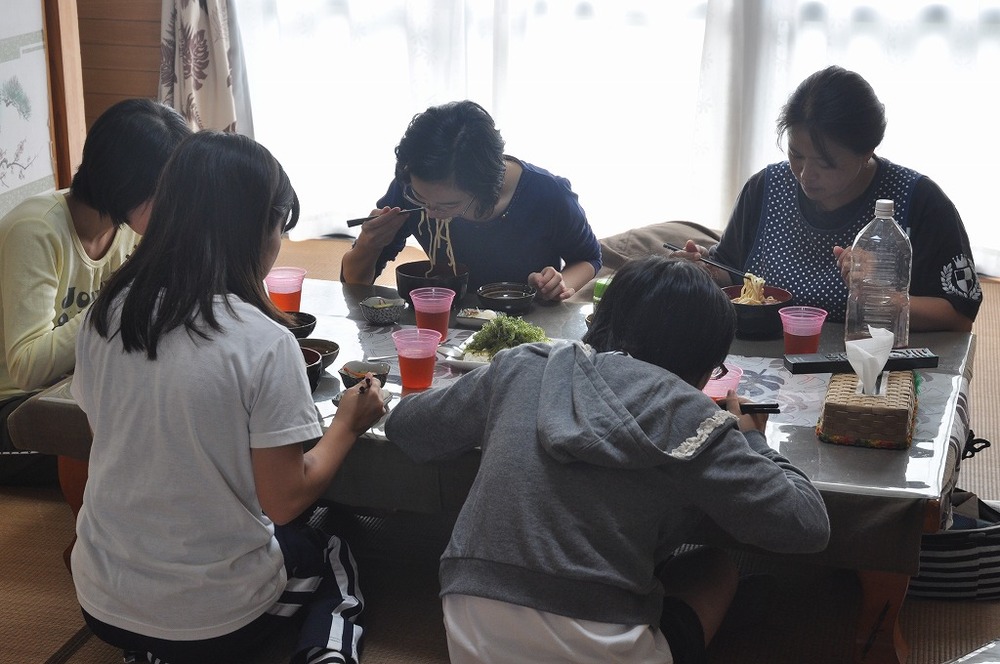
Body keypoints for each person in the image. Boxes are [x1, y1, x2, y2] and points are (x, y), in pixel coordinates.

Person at [384, 256, 831, 663]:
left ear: (599, 321)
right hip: (604, 646)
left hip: (471, 630)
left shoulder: (523, 365)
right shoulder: (694, 417)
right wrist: (751, 439)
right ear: (704, 366)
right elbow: (807, 526)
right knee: (715, 567)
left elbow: (406, 427)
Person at [70, 131, 387, 664]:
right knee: (332, 547)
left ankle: (152, 651)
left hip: (102, 600)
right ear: (262, 228)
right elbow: (285, 500)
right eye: (281, 228)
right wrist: (347, 424)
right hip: (217, 616)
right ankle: (325, 652)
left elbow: (117, 438)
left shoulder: (106, 313)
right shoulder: (265, 341)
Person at [673, 65, 981, 331]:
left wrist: (878, 296)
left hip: (870, 364)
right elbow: (729, 270)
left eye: (826, 163)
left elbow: (959, 315)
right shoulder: (765, 188)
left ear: (866, 152)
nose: (806, 175)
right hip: (764, 362)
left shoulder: (919, 201)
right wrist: (703, 269)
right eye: (796, 155)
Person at [0, 98, 191, 485]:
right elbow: (27, 368)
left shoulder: (127, 224)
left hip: (80, 390)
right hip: (17, 410)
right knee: (153, 453)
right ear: (127, 186)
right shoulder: (36, 231)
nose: (176, 206)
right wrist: (115, 303)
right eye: (167, 192)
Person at [340, 100, 602, 300]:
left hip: (524, 329)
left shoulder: (547, 193)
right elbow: (354, 284)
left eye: (449, 205)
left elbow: (588, 257)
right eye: (419, 198)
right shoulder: (414, 186)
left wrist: (556, 286)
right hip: (443, 325)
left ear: (485, 188)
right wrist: (368, 245)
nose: (430, 212)